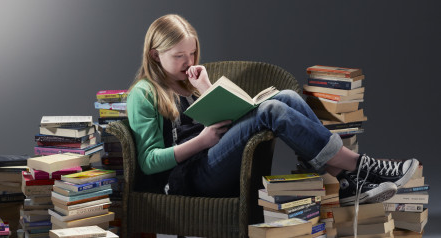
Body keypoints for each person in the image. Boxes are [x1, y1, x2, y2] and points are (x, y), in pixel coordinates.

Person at [126, 14, 419, 206]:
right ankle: (361, 166)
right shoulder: (144, 93)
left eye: (192, 53)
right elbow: (149, 162)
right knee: (272, 111)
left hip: (213, 162)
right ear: (155, 54)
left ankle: (340, 179)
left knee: (287, 97)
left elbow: (221, 120)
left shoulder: (188, 82)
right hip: (185, 182)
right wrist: (201, 141)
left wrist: (205, 88)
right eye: (179, 56)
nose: (189, 62)